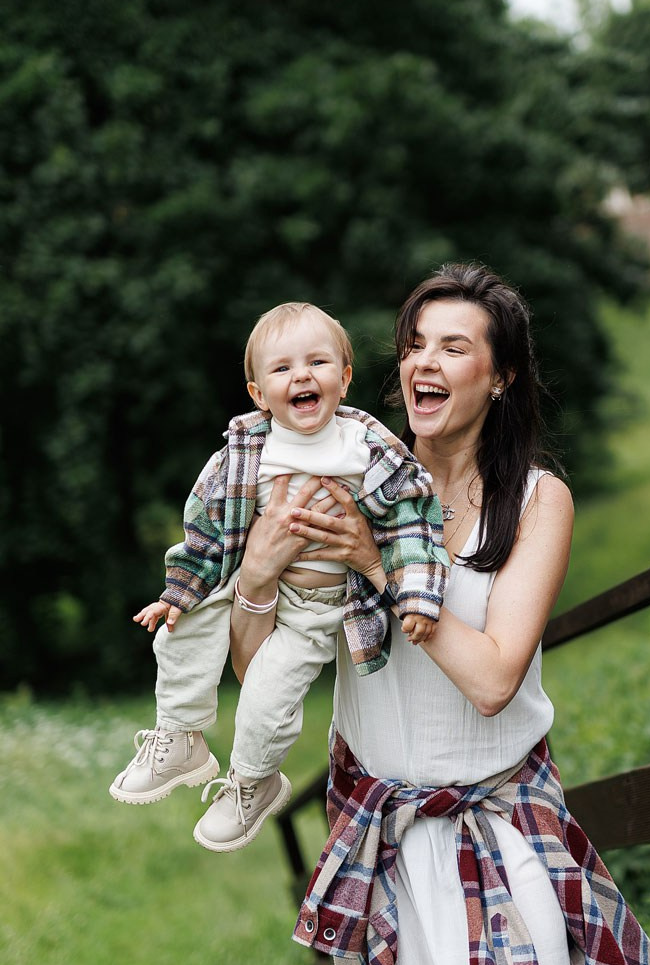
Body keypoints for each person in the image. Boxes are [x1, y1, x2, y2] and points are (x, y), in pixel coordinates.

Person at [230, 265, 650, 965]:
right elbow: (257, 670)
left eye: (453, 346)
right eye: (415, 343)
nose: (424, 361)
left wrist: (383, 568)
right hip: (386, 836)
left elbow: (495, 679)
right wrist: (259, 575)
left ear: (499, 378)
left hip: (497, 830)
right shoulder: (348, 479)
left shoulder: (535, 502)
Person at [109, 302, 448, 853]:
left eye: (317, 362)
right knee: (178, 632)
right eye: (283, 369)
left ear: (344, 377)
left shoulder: (367, 446)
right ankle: (181, 735)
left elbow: (413, 517)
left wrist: (414, 595)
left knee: (268, 697)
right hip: (244, 575)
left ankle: (254, 780)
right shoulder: (245, 451)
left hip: (317, 606)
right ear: (259, 395)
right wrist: (179, 592)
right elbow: (208, 528)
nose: (302, 376)